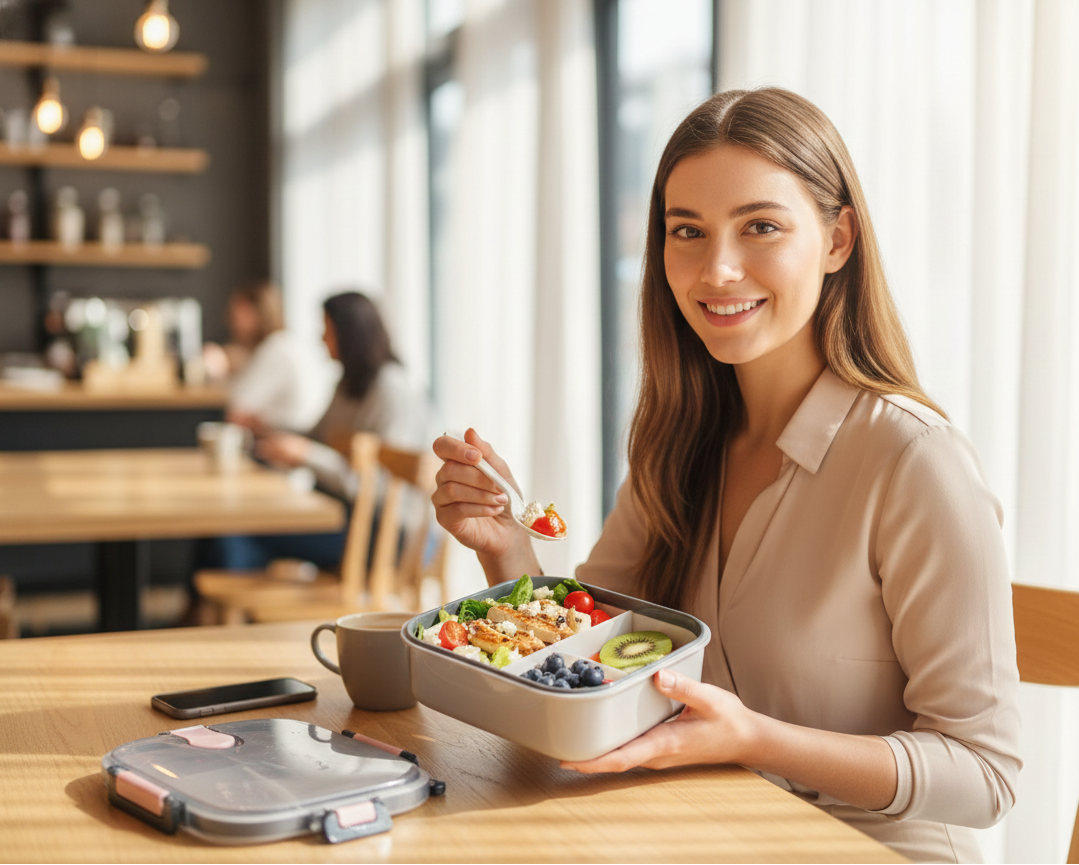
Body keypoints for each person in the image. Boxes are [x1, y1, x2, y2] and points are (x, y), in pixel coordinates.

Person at [431, 88, 1020, 863]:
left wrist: (754, 738)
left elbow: (984, 773)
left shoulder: (914, 460)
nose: (717, 269)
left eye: (760, 226)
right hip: (699, 833)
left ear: (837, 238)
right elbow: (585, 659)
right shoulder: (677, 443)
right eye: (687, 231)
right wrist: (505, 548)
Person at [208, 290, 431, 569]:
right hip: (347, 516)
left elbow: (377, 485)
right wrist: (268, 429)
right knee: (234, 529)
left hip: (386, 533)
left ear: (351, 336)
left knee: (238, 532)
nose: (322, 340)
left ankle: (229, 594)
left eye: (328, 332)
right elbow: (319, 438)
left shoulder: (391, 393)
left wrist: (305, 455)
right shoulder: (348, 385)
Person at [205, 281, 326, 433]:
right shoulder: (285, 343)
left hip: (287, 436)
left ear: (258, 313)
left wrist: (218, 372)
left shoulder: (275, 349)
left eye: (239, 311)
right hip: (294, 433)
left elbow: (237, 408)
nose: (230, 318)